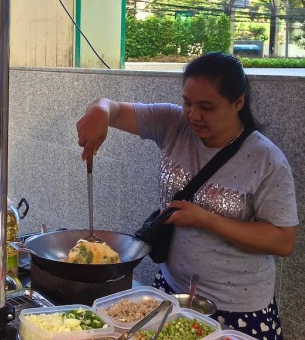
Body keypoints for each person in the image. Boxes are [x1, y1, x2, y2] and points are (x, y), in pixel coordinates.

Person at [76, 52, 298, 340]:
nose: (193, 115)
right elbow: (113, 108)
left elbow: (282, 240)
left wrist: (208, 220)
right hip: (171, 292)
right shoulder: (173, 123)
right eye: (188, 102)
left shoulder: (266, 160)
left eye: (207, 106)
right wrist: (100, 111)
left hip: (237, 308)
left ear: (238, 103)